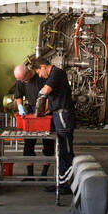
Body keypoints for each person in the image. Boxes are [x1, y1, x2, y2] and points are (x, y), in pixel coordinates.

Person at [31, 56, 74, 193]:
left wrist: (39, 97)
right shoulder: (51, 77)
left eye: (38, 72)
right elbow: (50, 98)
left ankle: (67, 185)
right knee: (60, 150)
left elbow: (45, 91)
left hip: (63, 115)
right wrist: (44, 112)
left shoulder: (57, 73)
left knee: (66, 150)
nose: (39, 75)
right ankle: (61, 182)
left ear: (43, 66)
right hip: (57, 114)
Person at [12, 63, 52, 178]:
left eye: (24, 79)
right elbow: (18, 96)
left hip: (45, 111)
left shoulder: (41, 76)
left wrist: (43, 111)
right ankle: (30, 175)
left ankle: (44, 174)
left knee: (48, 144)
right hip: (30, 112)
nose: (23, 82)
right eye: (20, 80)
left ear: (28, 72)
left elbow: (49, 95)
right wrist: (20, 108)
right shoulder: (21, 80)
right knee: (28, 144)